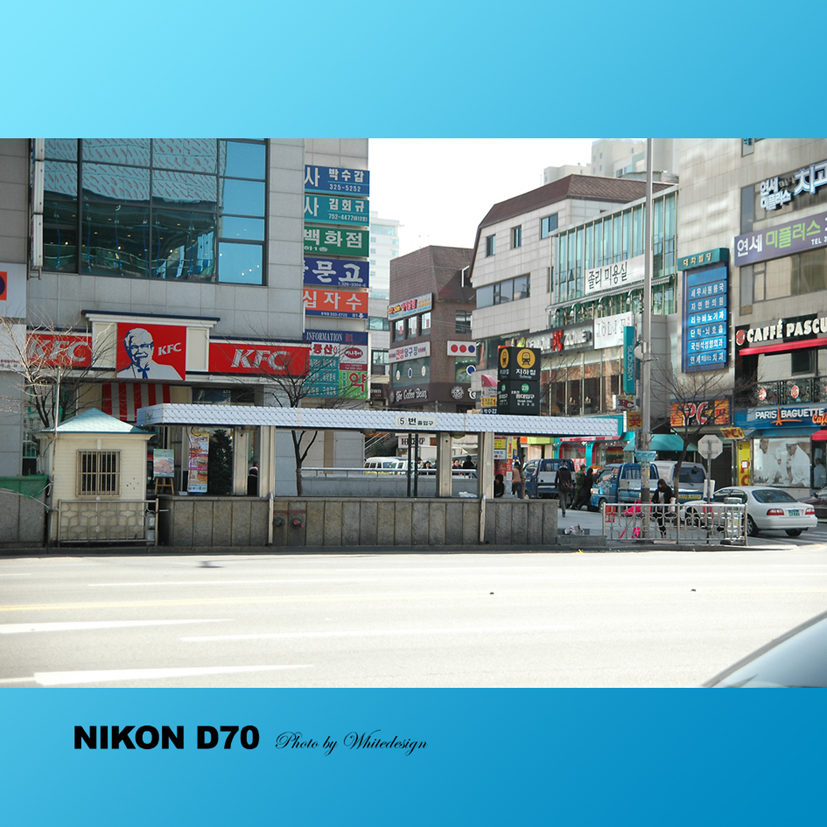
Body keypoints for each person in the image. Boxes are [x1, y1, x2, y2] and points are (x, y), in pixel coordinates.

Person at [117, 327, 183, 380]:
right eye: (134, 347)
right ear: (128, 350)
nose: (140, 351)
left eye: (144, 346)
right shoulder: (121, 375)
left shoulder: (169, 372)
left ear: (151, 348)